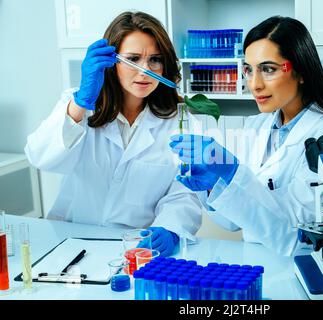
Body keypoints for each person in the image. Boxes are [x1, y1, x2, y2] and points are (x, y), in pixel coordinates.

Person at [170, 16, 323, 257]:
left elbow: (299, 238)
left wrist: (234, 174)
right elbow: (234, 223)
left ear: (301, 72)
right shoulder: (257, 127)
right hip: (256, 261)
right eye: (249, 70)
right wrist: (215, 186)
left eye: (268, 69)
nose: (255, 84)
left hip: (299, 270)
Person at [24, 11, 202, 257]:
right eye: (133, 59)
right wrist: (81, 103)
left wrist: (170, 228)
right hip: (70, 241)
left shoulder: (179, 123)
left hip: (135, 248)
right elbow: (39, 157)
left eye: (155, 60)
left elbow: (183, 192)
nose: (145, 71)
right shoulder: (80, 106)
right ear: (112, 62)